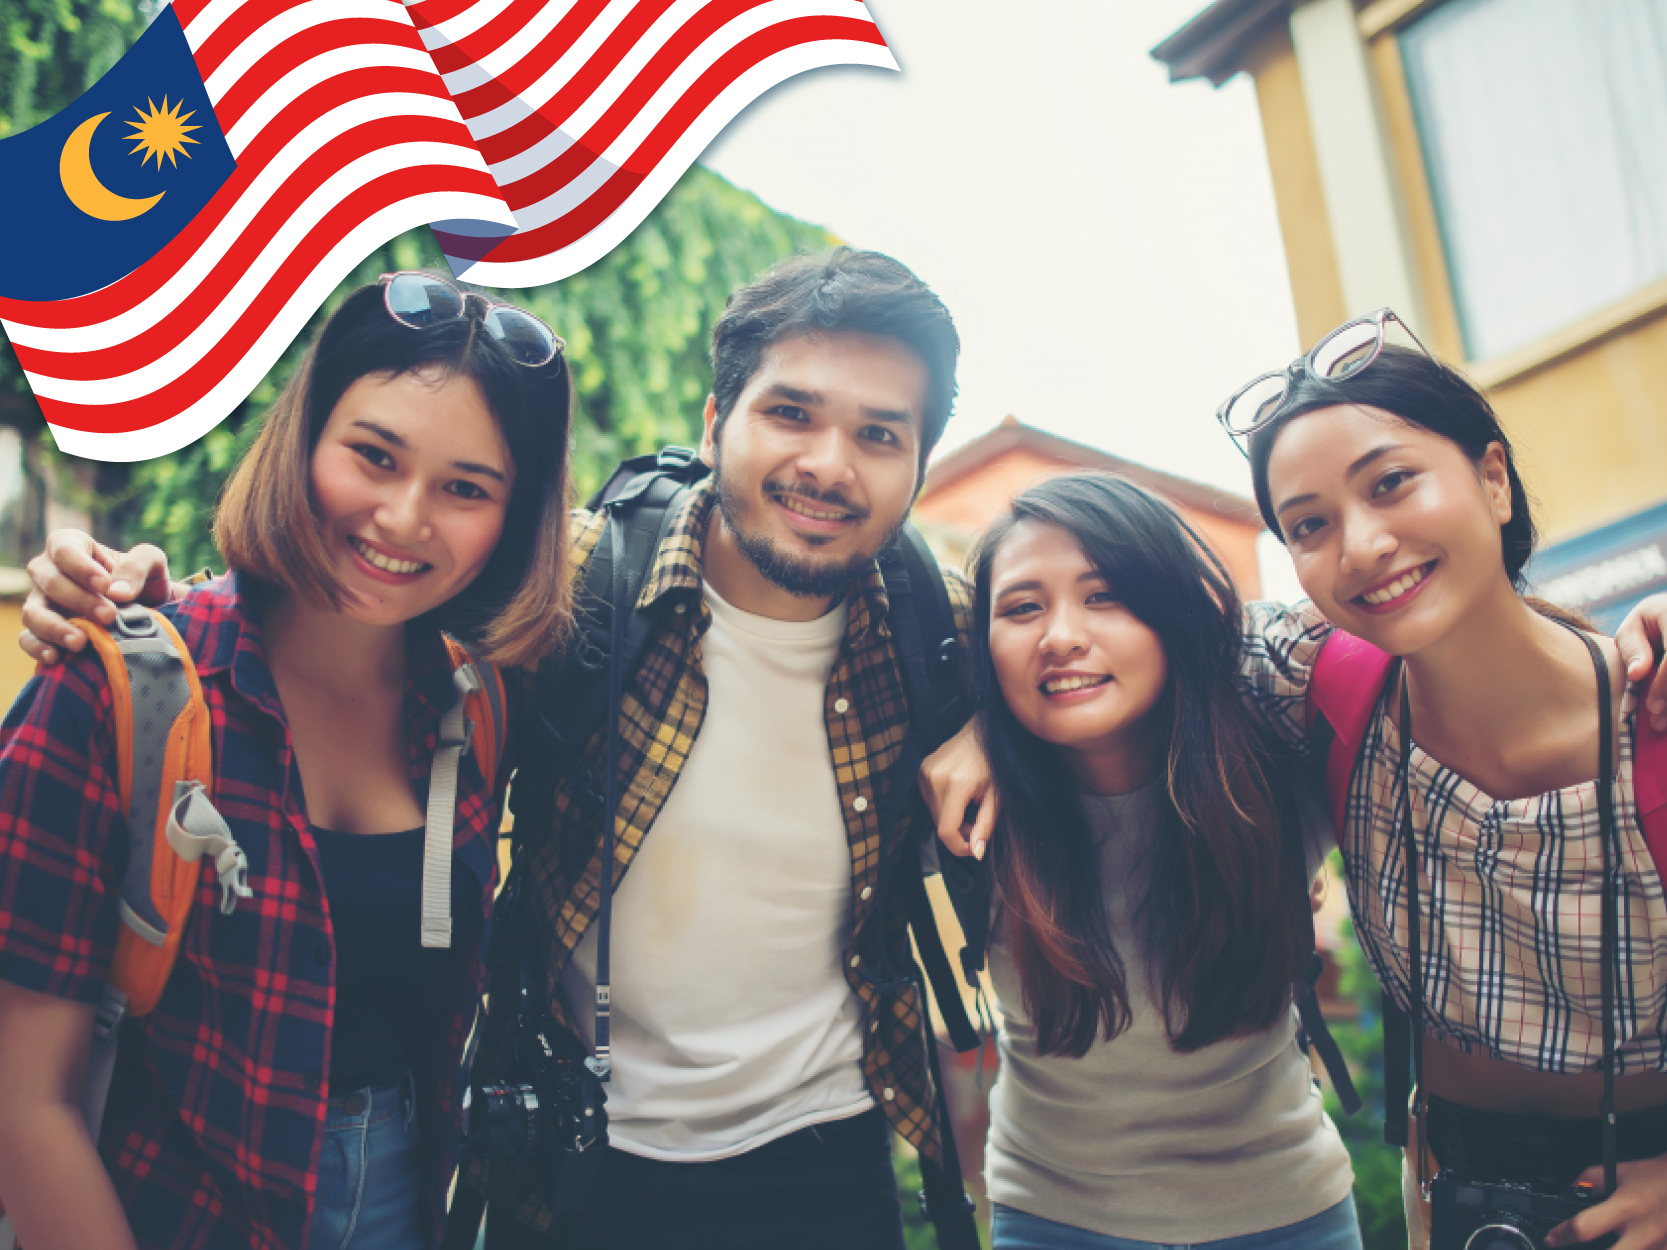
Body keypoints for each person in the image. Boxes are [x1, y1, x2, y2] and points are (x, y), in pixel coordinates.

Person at [14, 249, 970, 1250]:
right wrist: (126, 600)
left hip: (823, 1161)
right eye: (790, 412)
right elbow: (339, 594)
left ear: (916, 461)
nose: (827, 461)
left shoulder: (940, 633)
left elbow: (1097, 675)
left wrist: (995, 727)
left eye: (877, 433)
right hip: (572, 1160)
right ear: (713, 420)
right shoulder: (574, 593)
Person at [0, 274, 574, 1250]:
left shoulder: (479, 711)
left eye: (466, 488)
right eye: (373, 454)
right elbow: (22, 1099)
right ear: (305, 435)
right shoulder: (118, 689)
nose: (403, 517)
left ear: (512, 517)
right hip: (157, 1210)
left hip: (403, 1199)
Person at [1224, 318, 1667, 1250]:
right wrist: (973, 725)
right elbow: (1123, 633)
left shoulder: (1651, 718)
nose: (1361, 544)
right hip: (1455, 1189)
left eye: (1391, 484)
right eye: (1308, 525)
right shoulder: (1321, 686)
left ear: (1493, 479)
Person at [964, 471, 1358, 1250]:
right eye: (1020, 607)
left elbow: (1440, 660)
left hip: (1288, 1214)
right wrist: (968, 730)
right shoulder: (965, 809)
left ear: (1172, 612)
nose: (1061, 635)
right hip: (1051, 1219)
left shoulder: (1275, 761)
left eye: (1103, 595)